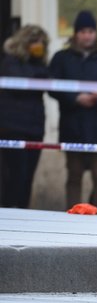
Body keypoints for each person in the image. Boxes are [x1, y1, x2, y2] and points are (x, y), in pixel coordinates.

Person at [48, 10, 97, 211]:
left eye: (90, 31)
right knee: (74, 174)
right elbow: (52, 86)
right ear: (75, 33)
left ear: (96, 33)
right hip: (72, 125)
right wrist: (75, 99)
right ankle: (73, 215)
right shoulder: (62, 57)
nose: (87, 35)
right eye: (82, 31)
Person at [0, 25, 50, 208]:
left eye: (41, 42)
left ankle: (23, 211)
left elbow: (47, 81)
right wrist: (39, 75)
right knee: (14, 175)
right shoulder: (11, 61)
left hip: (35, 127)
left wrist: (39, 72)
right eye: (34, 41)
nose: (38, 45)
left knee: (28, 175)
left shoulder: (40, 64)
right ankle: (8, 210)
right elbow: (18, 84)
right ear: (25, 42)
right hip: (12, 127)